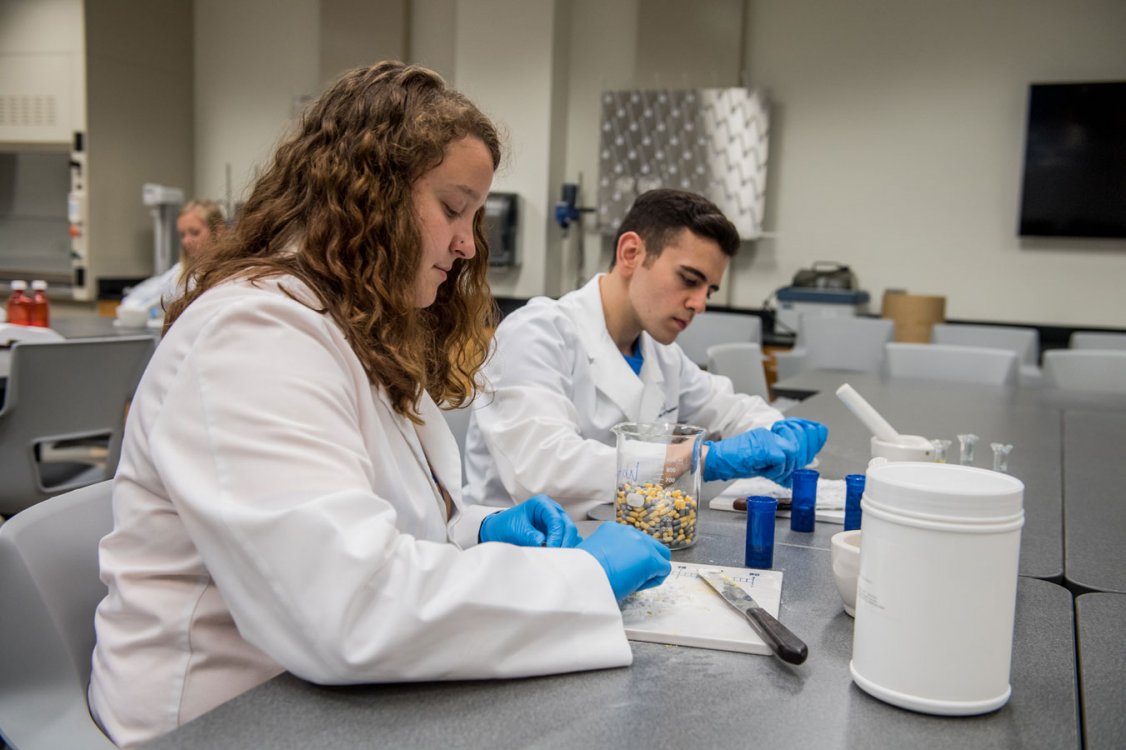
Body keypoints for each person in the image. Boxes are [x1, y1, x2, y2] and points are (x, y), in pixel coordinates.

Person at [89, 61, 671, 749]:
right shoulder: (251, 336)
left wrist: (478, 530)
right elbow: (349, 606)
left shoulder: (352, 324)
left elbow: (374, 527)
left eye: (475, 217)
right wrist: (582, 579)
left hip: (316, 698)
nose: (466, 243)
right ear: (368, 195)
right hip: (216, 717)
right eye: (453, 209)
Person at [463, 189, 828, 519]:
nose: (700, 304)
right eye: (689, 279)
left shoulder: (659, 352)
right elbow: (543, 471)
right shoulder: (537, 332)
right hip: (522, 559)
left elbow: (731, 410)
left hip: (623, 541)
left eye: (710, 290)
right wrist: (696, 459)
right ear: (631, 253)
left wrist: (779, 433)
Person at [116, 199, 226, 325]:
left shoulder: (231, 271)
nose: (186, 241)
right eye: (183, 235)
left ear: (218, 231)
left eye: (194, 232)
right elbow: (147, 294)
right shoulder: (179, 273)